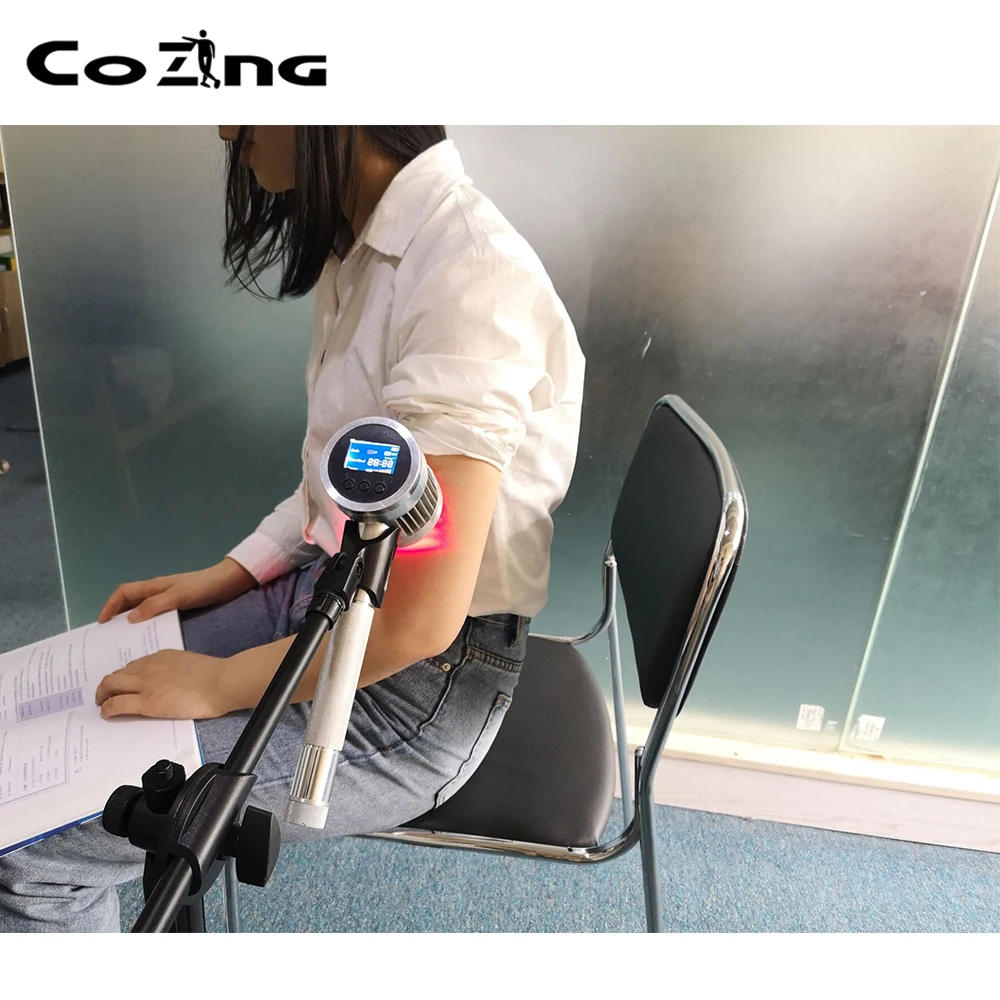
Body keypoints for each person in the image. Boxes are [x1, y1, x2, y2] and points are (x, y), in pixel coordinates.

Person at [0, 125, 586, 932]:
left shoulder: (467, 279)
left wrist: (217, 683)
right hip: (331, 593)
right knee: (36, 708)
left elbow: (419, 616)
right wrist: (235, 570)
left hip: (414, 683)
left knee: (24, 850)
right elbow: (352, 483)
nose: (224, 128)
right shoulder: (367, 246)